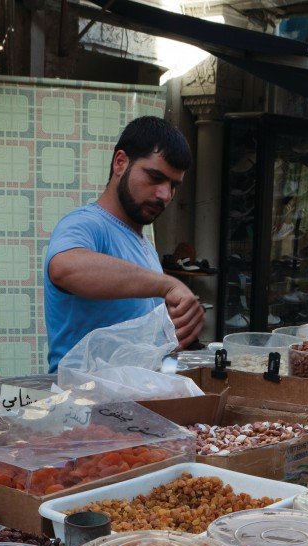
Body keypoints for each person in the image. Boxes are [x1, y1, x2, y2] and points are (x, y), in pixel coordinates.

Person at [43, 116, 204, 370]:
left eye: (174, 185)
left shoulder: (145, 246)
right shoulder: (86, 224)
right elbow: (65, 267)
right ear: (120, 163)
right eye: (154, 177)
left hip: (131, 399)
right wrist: (168, 284)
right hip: (82, 401)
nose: (165, 195)